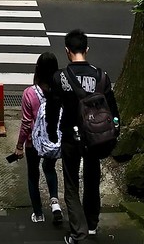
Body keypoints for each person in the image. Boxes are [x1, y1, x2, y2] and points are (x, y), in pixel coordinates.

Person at [46, 29, 120, 243]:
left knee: (71, 183)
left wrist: (52, 131)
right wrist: (114, 130)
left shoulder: (60, 77)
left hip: (71, 136)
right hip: (95, 137)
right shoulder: (101, 76)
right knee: (92, 178)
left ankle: (79, 232)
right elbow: (113, 110)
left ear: (67, 51)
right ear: (87, 50)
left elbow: (52, 108)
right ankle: (92, 224)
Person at [14, 52, 63, 224]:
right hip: (52, 140)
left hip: (33, 143)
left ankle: (38, 214)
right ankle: (55, 203)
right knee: (49, 169)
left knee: (33, 175)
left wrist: (19, 145)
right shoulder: (60, 90)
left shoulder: (29, 93)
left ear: (38, 70)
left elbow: (26, 124)